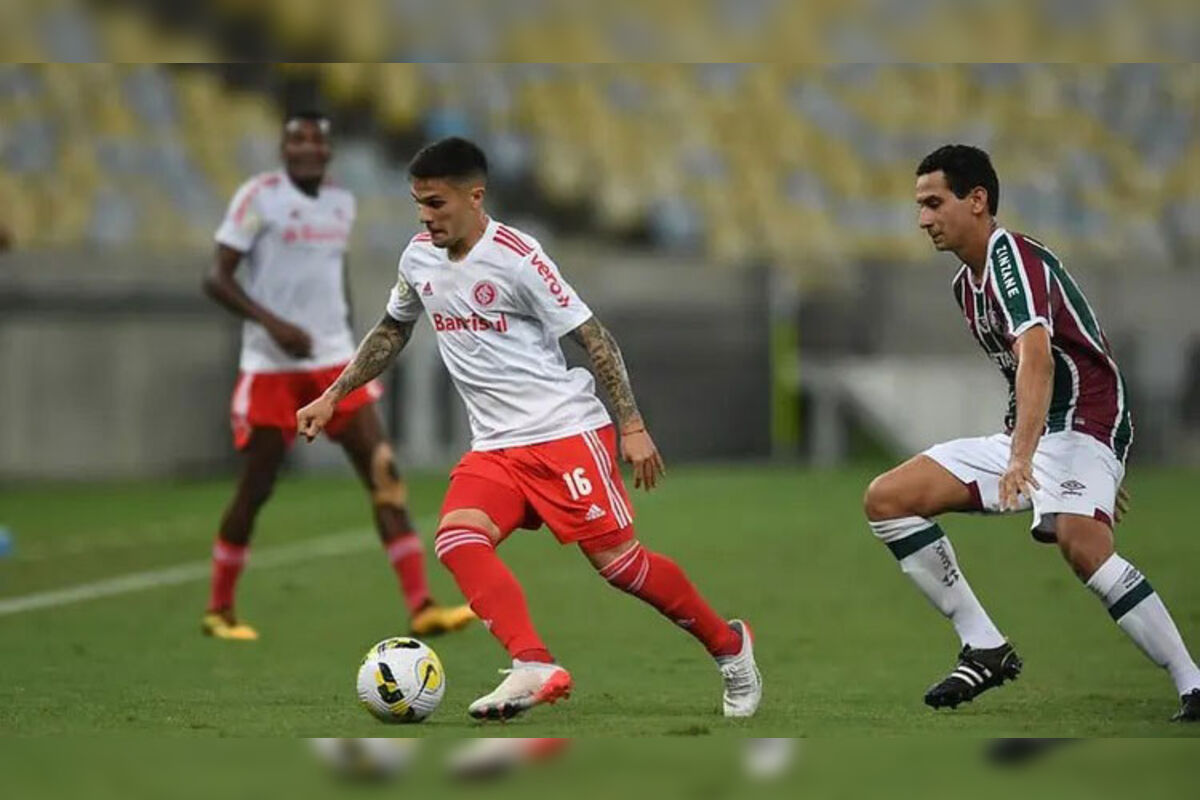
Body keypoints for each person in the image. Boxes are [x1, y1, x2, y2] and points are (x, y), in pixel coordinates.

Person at [297, 136, 762, 720]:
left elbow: (593, 336)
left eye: (436, 203)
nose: (425, 216)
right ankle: (532, 664)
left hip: (563, 432)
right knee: (457, 540)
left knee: (622, 567)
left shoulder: (518, 256)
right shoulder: (418, 257)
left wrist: (632, 425)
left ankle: (730, 646)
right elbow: (393, 329)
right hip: (495, 448)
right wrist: (334, 394)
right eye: (418, 203)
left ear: (475, 196)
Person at [864, 144, 1199, 721]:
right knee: (888, 499)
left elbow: (1039, 359)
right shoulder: (964, 287)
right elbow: (1024, 374)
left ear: (977, 200)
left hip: (1089, 420)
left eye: (933, 203)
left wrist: (1037, 460)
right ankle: (984, 645)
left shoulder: (1008, 258)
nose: (923, 219)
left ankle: (1192, 681)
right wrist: (1044, 459)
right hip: (1040, 433)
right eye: (919, 206)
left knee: (1080, 541)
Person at [201, 111, 473, 641]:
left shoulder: (341, 202)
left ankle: (422, 605)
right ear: (283, 147)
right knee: (256, 487)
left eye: (315, 140)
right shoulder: (258, 198)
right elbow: (217, 277)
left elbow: (330, 274)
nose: (305, 147)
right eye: (295, 138)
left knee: (383, 470)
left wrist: (350, 336)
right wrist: (274, 325)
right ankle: (219, 608)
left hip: (332, 361)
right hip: (272, 366)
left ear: (328, 150)